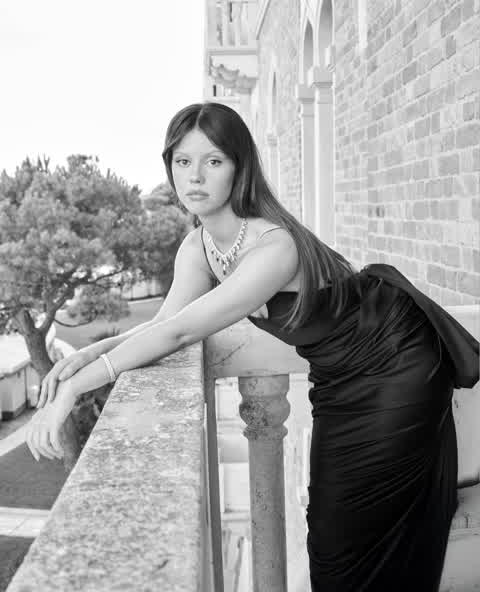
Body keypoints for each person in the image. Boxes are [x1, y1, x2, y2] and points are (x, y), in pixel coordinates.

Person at [25, 102, 479, 591]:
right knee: (330, 535)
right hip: (338, 375)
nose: (195, 176)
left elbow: (179, 335)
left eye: (213, 161)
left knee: (359, 531)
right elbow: (162, 323)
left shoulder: (273, 245)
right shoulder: (198, 246)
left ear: (239, 168)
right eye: (182, 161)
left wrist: (76, 391)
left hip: (395, 362)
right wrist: (85, 358)